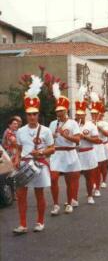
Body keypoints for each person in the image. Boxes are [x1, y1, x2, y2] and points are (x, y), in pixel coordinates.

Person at [12, 76, 55, 234]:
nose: (32, 116)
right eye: (29, 114)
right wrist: (16, 158)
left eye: (34, 114)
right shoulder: (20, 131)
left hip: (39, 164)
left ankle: (40, 221)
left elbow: (52, 148)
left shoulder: (46, 131)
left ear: (38, 114)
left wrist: (42, 151)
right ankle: (23, 224)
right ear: (25, 115)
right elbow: (18, 147)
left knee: (39, 194)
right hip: (25, 164)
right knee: (21, 194)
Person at [49, 83, 81, 215]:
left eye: (61, 110)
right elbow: (49, 141)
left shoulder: (73, 123)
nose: (58, 112)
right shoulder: (52, 123)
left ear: (66, 110)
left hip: (69, 152)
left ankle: (69, 202)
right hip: (56, 153)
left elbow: (78, 140)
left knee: (70, 180)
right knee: (53, 178)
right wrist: (53, 135)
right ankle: (56, 204)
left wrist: (64, 135)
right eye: (57, 110)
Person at [75, 89, 100, 205]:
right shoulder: (72, 125)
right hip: (76, 153)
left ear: (85, 114)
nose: (79, 116)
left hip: (88, 153)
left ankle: (90, 195)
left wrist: (84, 137)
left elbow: (97, 140)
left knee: (88, 177)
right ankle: (73, 199)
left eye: (81, 114)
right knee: (74, 177)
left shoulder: (90, 125)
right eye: (77, 114)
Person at [90, 94, 106, 198]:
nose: (94, 116)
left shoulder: (103, 124)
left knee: (99, 168)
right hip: (92, 148)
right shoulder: (89, 123)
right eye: (92, 114)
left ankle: (97, 188)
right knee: (92, 169)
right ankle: (93, 185)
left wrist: (99, 127)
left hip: (100, 147)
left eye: (95, 114)